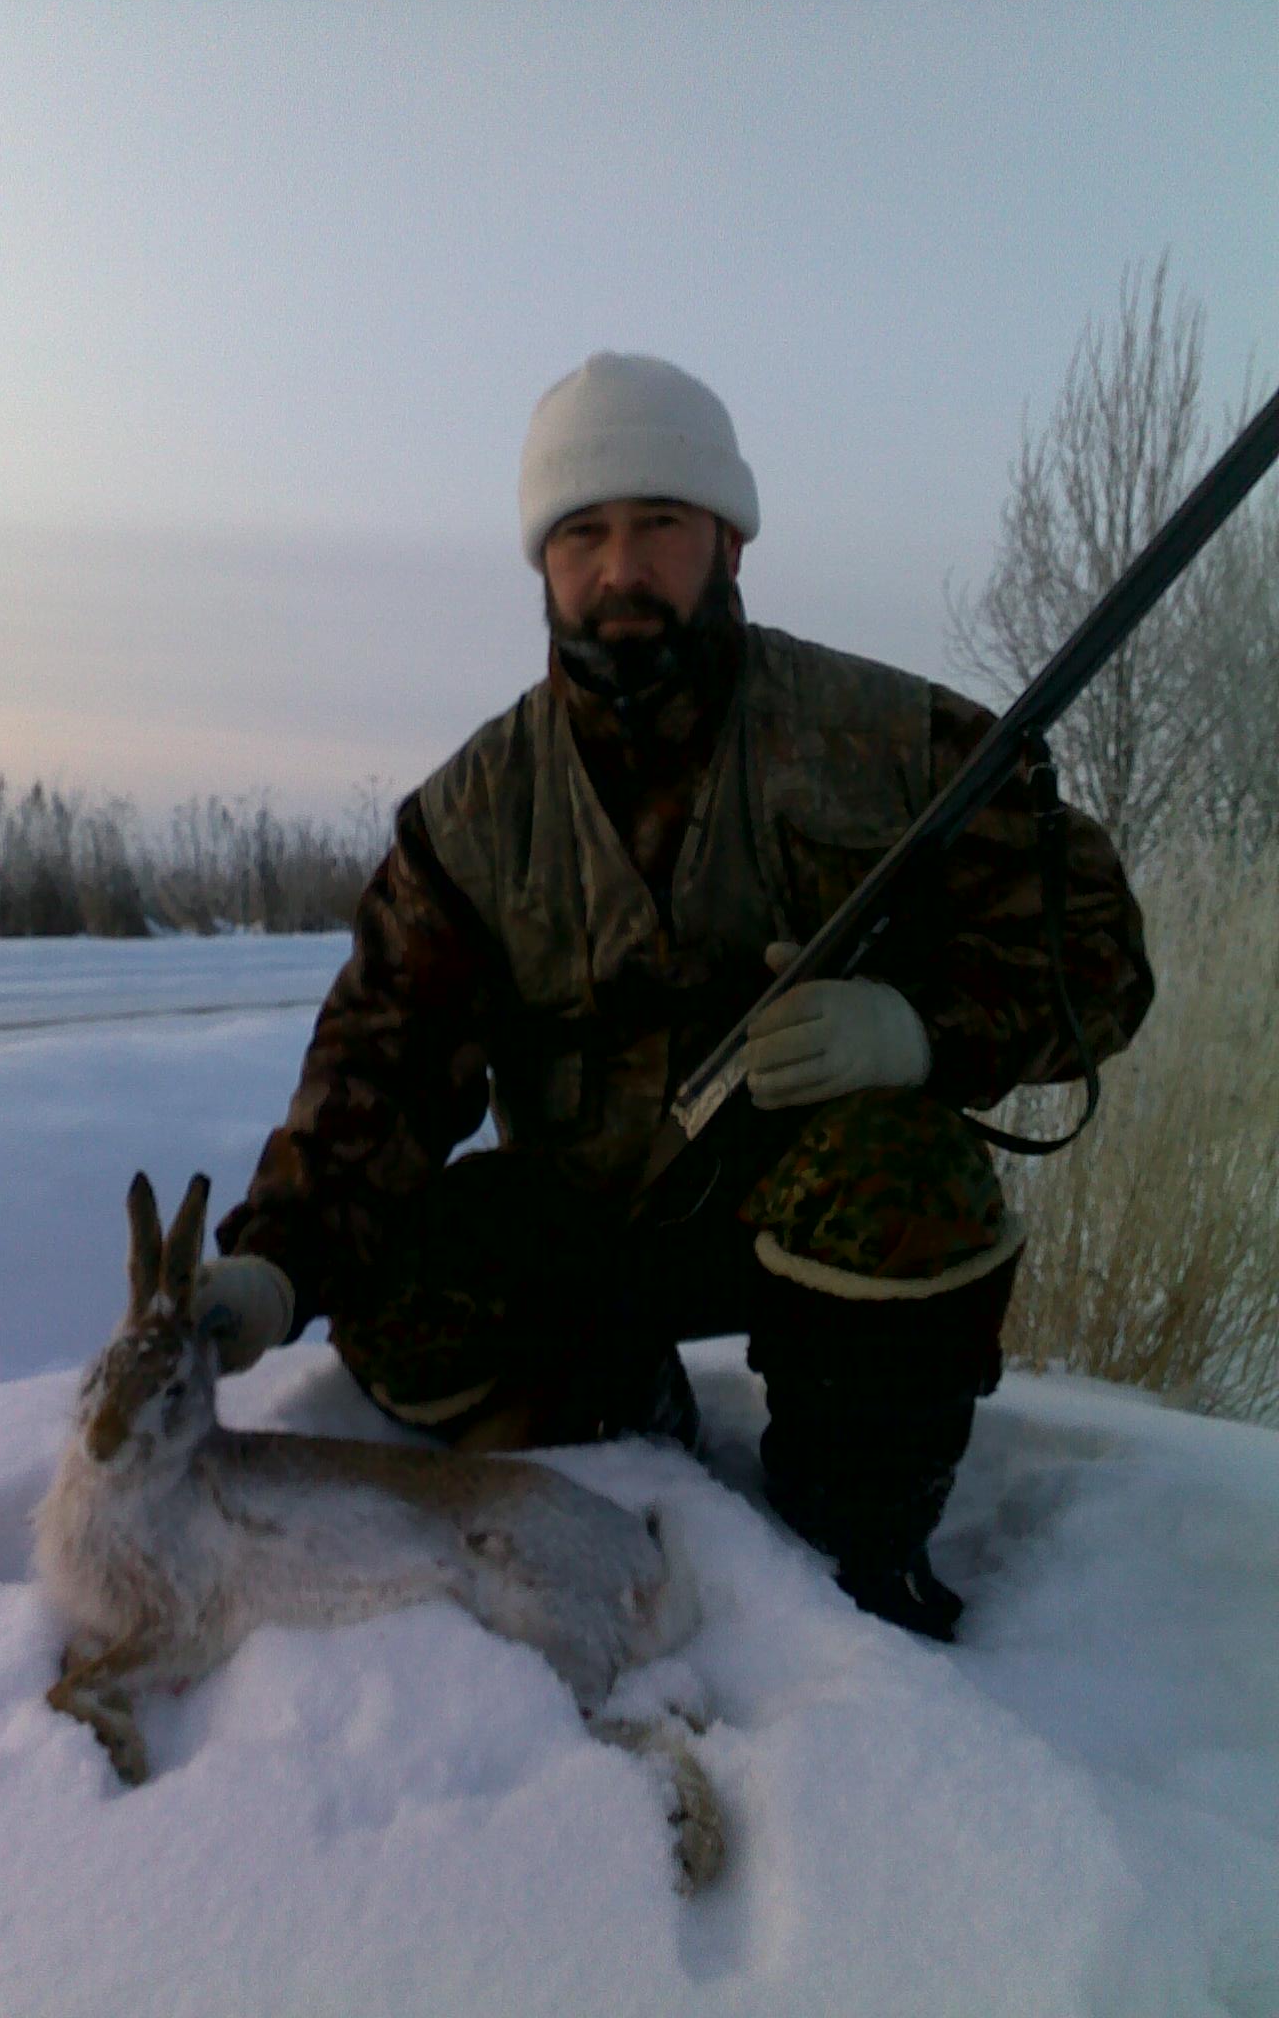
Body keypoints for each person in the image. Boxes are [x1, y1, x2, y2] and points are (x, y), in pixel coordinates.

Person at [196, 353, 1153, 1640]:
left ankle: (856, 1545)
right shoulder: (473, 814)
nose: (620, 568)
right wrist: (271, 1264)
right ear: (543, 564)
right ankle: (615, 1439)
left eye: (661, 524)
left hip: (814, 1234)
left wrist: (918, 1031)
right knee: (403, 1282)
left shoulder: (893, 744)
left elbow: (1098, 949)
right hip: (591, 1238)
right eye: (582, 533)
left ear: (729, 542)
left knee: (905, 1176)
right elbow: (383, 1063)